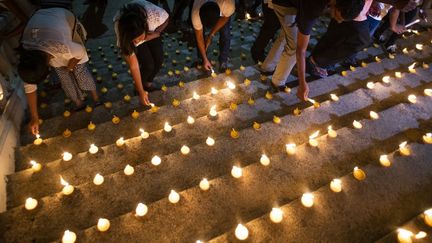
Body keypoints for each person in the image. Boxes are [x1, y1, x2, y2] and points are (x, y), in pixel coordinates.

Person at [19, 7, 100, 135]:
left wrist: (70, 66)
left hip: (64, 20)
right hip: (44, 24)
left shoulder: (64, 46)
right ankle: (78, 102)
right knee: (64, 77)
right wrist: (34, 117)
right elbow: (29, 85)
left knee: (80, 72)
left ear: (47, 64)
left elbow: (81, 52)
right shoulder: (28, 58)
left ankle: (96, 99)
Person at [307, 0, 416, 77]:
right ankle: (318, 61)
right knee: (360, 39)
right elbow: (397, 7)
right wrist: (395, 3)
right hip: (354, 10)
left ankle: (317, 61)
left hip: (355, 9)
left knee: (336, 34)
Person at [114, 0, 169, 106]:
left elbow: (167, 19)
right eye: (134, 41)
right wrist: (140, 91)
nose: (137, 43)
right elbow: (134, 66)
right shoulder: (123, 33)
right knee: (148, 64)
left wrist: (157, 32)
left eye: (139, 39)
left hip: (151, 31)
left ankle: (148, 84)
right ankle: (139, 87)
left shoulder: (156, 16)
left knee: (159, 59)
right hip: (135, 32)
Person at [191, 0, 235, 72]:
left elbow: (225, 18)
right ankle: (203, 59)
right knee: (200, 35)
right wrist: (205, 59)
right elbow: (199, 37)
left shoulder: (228, 4)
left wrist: (211, 35)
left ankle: (223, 60)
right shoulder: (195, 13)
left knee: (225, 33)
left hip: (223, 9)